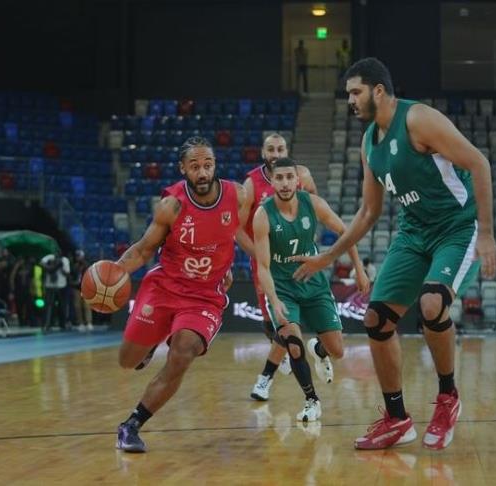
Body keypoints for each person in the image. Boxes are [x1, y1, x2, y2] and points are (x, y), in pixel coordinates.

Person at [293, 58, 496, 450]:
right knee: (376, 318)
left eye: (355, 92)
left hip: (457, 228)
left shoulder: (419, 119)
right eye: (348, 94)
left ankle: (447, 398)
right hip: (413, 234)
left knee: (432, 304)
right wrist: (327, 256)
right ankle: (396, 419)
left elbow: (479, 162)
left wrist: (486, 234)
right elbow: (369, 211)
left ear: (379, 90)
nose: (350, 100)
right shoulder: (369, 141)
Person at [114, 136, 248, 453]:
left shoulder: (237, 195)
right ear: (182, 169)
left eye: (207, 165)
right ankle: (150, 343)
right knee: (126, 360)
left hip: (205, 296)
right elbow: (145, 249)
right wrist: (114, 272)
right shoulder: (171, 205)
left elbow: (241, 232)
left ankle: (131, 424)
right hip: (165, 286)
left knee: (183, 351)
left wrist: (237, 263)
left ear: (215, 165)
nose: (202, 173)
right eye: (195, 166)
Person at [254, 157, 370, 421]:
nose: (284, 183)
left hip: (314, 285)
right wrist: (273, 299)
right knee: (293, 344)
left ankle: (320, 350)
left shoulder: (313, 204)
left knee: (338, 351)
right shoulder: (263, 215)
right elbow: (262, 266)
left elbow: (346, 232)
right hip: (283, 289)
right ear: (271, 181)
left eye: (289, 177)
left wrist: (359, 269)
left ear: (298, 180)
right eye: (279, 178)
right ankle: (311, 400)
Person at [236, 133, 318, 401]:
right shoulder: (251, 183)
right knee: (274, 328)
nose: (275, 153)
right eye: (270, 149)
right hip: (266, 264)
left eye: (280, 148)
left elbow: (315, 206)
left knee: (286, 325)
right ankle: (280, 354)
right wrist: (259, 254)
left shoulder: (302, 175)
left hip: (295, 260)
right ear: (263, 152)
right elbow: (235, 228)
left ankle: (264, 379)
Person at [40, 252, 70, 330]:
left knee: (62, 306)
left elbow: (67, 273)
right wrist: (51, 266)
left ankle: (63, 324)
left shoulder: (64, 260)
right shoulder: (49, 257)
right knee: (48, 306)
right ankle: (47, 324)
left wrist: (61, 267)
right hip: (49, 285)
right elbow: (41, 263)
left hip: (61, 285)